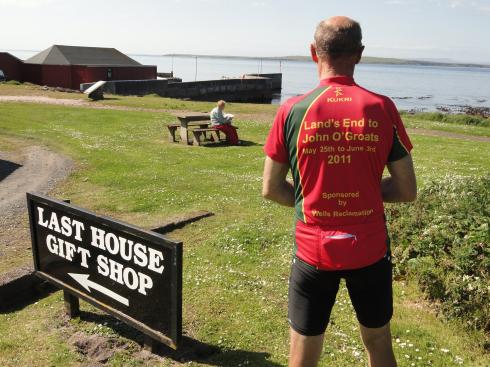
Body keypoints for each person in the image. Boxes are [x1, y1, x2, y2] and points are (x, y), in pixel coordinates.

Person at [262, 16, 417, 367]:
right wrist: (363, 194)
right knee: (378, 342)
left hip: (313, 250)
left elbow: (270, 189)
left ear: (313, 53)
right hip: (370, 250)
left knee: (303, 350)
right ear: (359, 54)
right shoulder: (382, 108)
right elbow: (407, 189)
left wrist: (310, 200)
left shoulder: (291, 110)